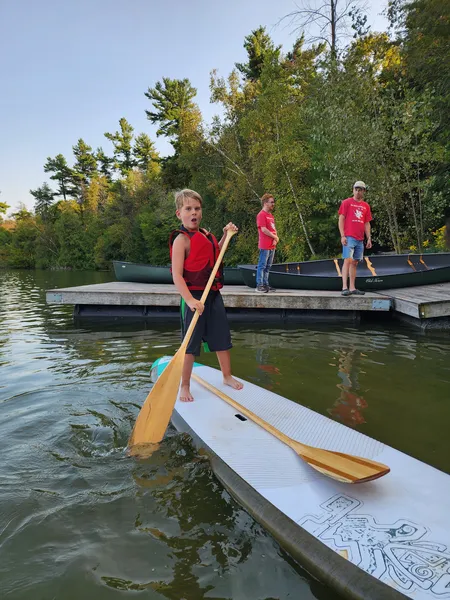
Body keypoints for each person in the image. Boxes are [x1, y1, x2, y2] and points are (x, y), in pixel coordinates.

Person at [170, 189, 244, 402]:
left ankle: (227, 376)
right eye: (188, 209)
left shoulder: (206, 235)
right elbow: (176, 275)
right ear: (179, 214)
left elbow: (215, 253)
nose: (193, 212)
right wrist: (190, 300)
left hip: (212, 294)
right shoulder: (181, 240)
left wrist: (225, 236)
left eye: (197, 208)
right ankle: (185, 385)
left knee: (222, 336)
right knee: (190, 344)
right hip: (193, 297)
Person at [338, 181, 372, 296]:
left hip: (360, 238)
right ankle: (344, 287)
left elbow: (366, 223)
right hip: (349, 236)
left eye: (360, 190)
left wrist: (369, 238)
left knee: (355, 262)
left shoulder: (365, 206)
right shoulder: (346, 202)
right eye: (356, 189)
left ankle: (352, 288)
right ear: (353, 190)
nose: (357, 192)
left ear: (363, 191)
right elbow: (341, 219)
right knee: (347, 260)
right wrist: (342, 235)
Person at [256, 193, 279, 292]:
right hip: (265, 244)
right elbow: (264, 229)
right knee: (262, 265)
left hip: (272, 245)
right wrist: (275, 237)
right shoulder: (261, 215)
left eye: (273, 202)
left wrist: (275, 239)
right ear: (265, 203)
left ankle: (266, 284)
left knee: (268, 266)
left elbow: (273, 229)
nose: (273, 204)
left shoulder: (270, 216)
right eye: (271, 202)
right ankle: (259, 285)